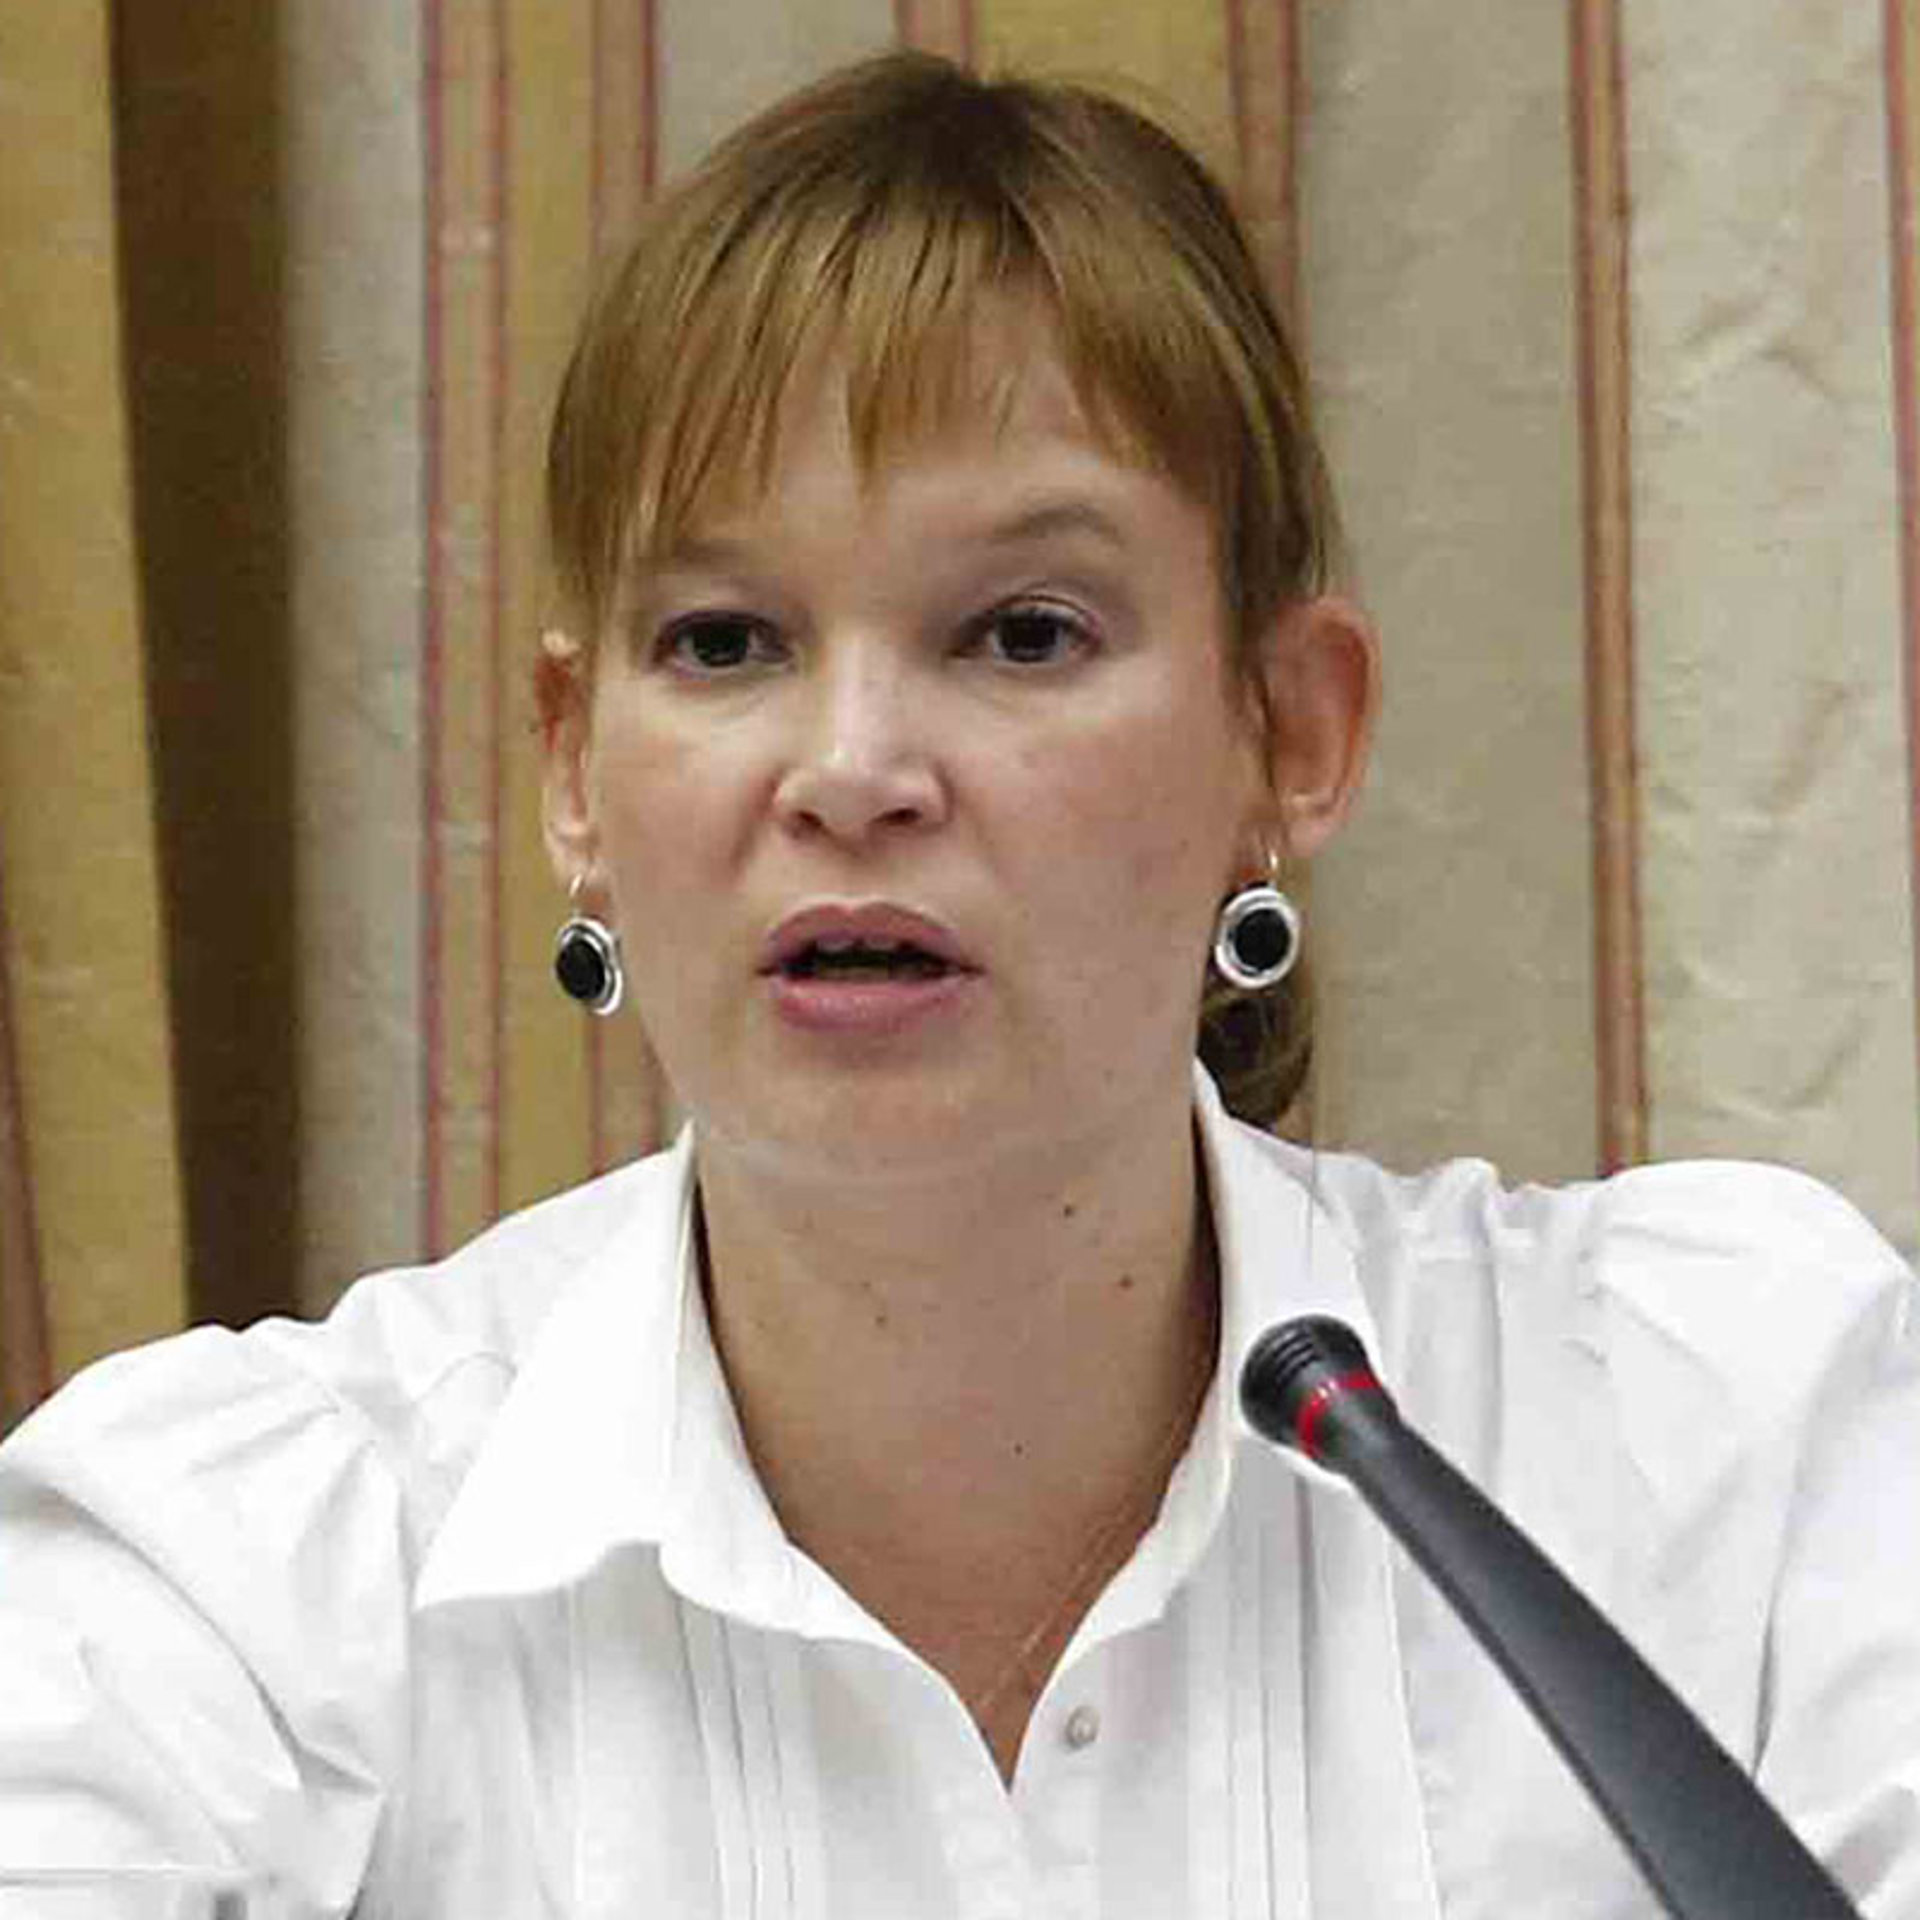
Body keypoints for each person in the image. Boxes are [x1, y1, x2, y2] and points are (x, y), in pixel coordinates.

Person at [2, 49, 1917, 1919]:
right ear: (574, 771)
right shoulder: (232, 1579)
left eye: (1022, 631)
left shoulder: (1728, 1442)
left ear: (1291, 732)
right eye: (725, 640)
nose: (851, 772)